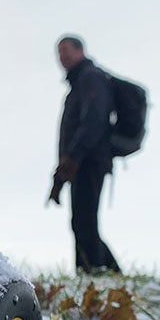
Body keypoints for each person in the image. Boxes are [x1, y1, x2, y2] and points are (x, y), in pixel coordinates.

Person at [48, 35, 121, 273]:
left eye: (66, 49)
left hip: (90, 160)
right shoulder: (77, 86)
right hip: (81, 161)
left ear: (81, 51)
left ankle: (95, 271)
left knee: (84, 221)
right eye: (59, 52)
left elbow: (94, 121)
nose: (62, 56)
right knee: (82, 221)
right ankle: (103, 271)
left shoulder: (91, 78)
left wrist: (73, 156)